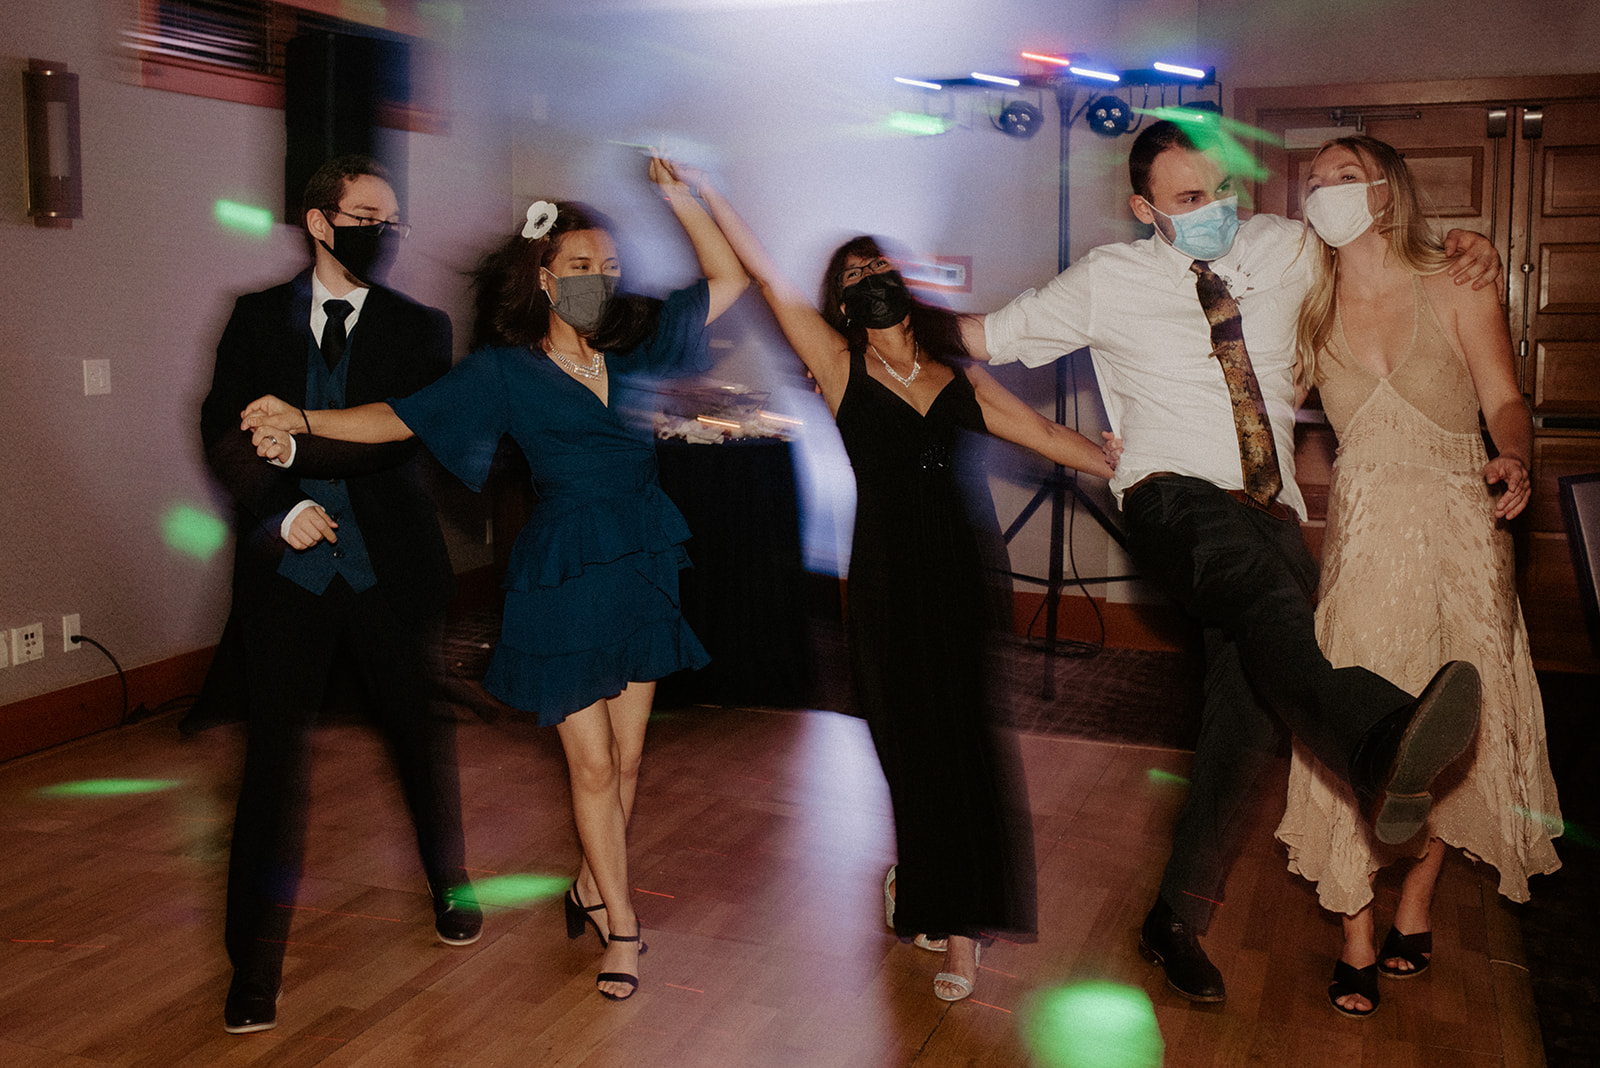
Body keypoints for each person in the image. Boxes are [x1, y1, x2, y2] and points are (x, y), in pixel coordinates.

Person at [956, 119, 1504, 1004]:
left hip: (1272, 510)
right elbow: (981, 338)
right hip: (1172, 496)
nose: (1214, 207)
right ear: (1144, 209)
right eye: (1188, 197)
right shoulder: (1107, 278)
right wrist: (870, 313)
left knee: (1245, 723)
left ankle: (1174, 917)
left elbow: (1383, 251)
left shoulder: (1286, 248)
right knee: (1267, 606)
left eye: (1220, 189)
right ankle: (1374, 736)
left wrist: (1468, 248)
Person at [240, 156, 748, 1002]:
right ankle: (623, 927)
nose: (598, 279)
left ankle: (590, 884)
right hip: (563, 575)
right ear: (544, 278)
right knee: (592, 767)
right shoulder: (507, 371)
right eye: (580, 265)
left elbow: (728, 277)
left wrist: (682, 197)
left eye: (609, 266)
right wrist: (303, 417)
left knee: (627, 762)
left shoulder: (635, 344)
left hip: (643, 559)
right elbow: (400, 418)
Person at [683, 164, 1116, 1001]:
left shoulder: (956, 371)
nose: (871, 279)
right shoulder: (837, 366)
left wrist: (1132, 465)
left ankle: (961, 929)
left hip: (960, 571)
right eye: (854, 275)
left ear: (904, 285)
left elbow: (1040, 433)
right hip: (885, 578)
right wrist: (707, 193)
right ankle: (918, 876)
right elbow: (769, 282)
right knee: (906, 745)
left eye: (879, 266)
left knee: (964, 743)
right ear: (842, 305)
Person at [1272, 134, 1562, 1017]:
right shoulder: (1304, 308)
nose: (1324, 189)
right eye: (1313, 180)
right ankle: (1355, 930)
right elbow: (1251, 409)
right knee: (1357, 721)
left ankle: (1416, 904)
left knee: (1451, 723)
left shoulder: (1456, 281)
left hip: (1465, 535)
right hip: (1365, 543)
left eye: (1344, 176)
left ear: (1387, 192)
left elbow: (1504, 398)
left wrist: (1513, 455)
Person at [199, 154, 476, 1035]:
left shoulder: (421, 327)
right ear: (320, 223)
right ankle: (253, 970)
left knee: (417, 740)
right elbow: (221, 430)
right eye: (366, 217)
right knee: (271, 769)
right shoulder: (253, 317)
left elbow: (400, 435)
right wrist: (282, 508)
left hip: (389, 572)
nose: (383, 234)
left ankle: (449, 884)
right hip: (287, 578)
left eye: (392, 221)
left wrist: (293, 443)